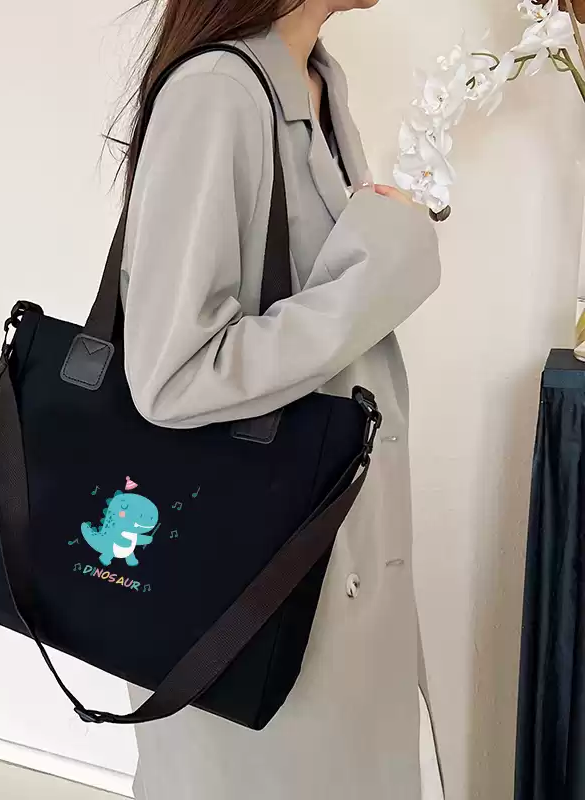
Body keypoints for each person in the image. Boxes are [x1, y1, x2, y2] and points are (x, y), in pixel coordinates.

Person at [118, 1, 445, 798]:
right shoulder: (217, 91)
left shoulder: (317, 82)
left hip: (326, 554)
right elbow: (170, 372)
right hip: (256, 581)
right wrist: (381, 272)